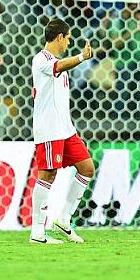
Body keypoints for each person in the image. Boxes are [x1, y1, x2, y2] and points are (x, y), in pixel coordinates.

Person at [30, 18, 94, 244]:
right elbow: (59, 67)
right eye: (68, 38)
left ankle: (64, 220)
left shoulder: (55, 60)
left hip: (65, 128)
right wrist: (81, 57)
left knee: (86, 168)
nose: (68, 42)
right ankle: (37, 232)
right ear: (60, 37)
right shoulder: (41, 60)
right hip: (48, 128)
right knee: (48, 174)